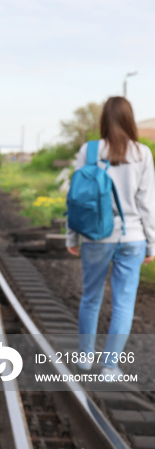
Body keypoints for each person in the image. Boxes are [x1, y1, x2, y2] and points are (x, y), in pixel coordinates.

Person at [66, 96, 155, 377]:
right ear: (130, 120)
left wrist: (72, 237)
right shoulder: (142, 154)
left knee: (91, 297)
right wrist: (152, 243)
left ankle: (84, 358)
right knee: (124, 303)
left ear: (104, 120)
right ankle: (110, 366)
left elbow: (76, 199)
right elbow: (147, 204)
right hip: (133, 238)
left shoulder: (89, 151)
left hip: (96, 236)